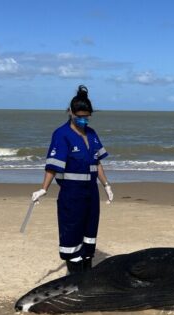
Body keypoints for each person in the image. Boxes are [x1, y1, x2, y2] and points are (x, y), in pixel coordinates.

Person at [31, 85, 113, 274]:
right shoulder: (61, 135)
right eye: (80, 117)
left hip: (91, 192)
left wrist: (106, 185)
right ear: (70, 112)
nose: (83, 120)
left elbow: (97, 163)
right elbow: (52, 166)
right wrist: (43, 189)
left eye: (86, 117)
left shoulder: (92, 134)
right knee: (72, 238)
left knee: (89, 237)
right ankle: (75, 280)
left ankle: (87, 277)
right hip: (72, 193)